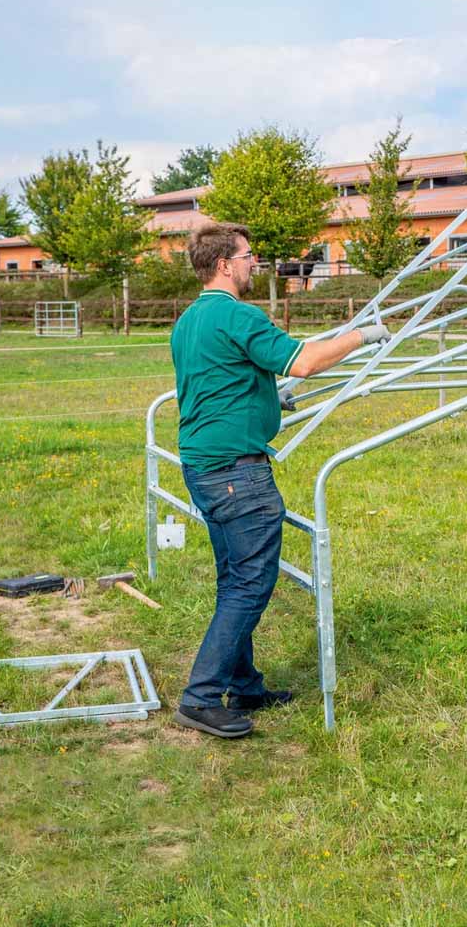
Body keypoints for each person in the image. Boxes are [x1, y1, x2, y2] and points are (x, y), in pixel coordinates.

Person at [171, 222, 389, 738]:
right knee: (250, 584)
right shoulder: (238, 314)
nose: (255, 263)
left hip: (204, 465)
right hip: (236, 473)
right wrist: (362, 335)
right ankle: (201, 698)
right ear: (224, 264)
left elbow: (220, 379)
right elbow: (305, 361)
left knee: (234, 579)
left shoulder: (190, 320)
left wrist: (270, 396)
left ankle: (244, 684)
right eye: (248, 256)